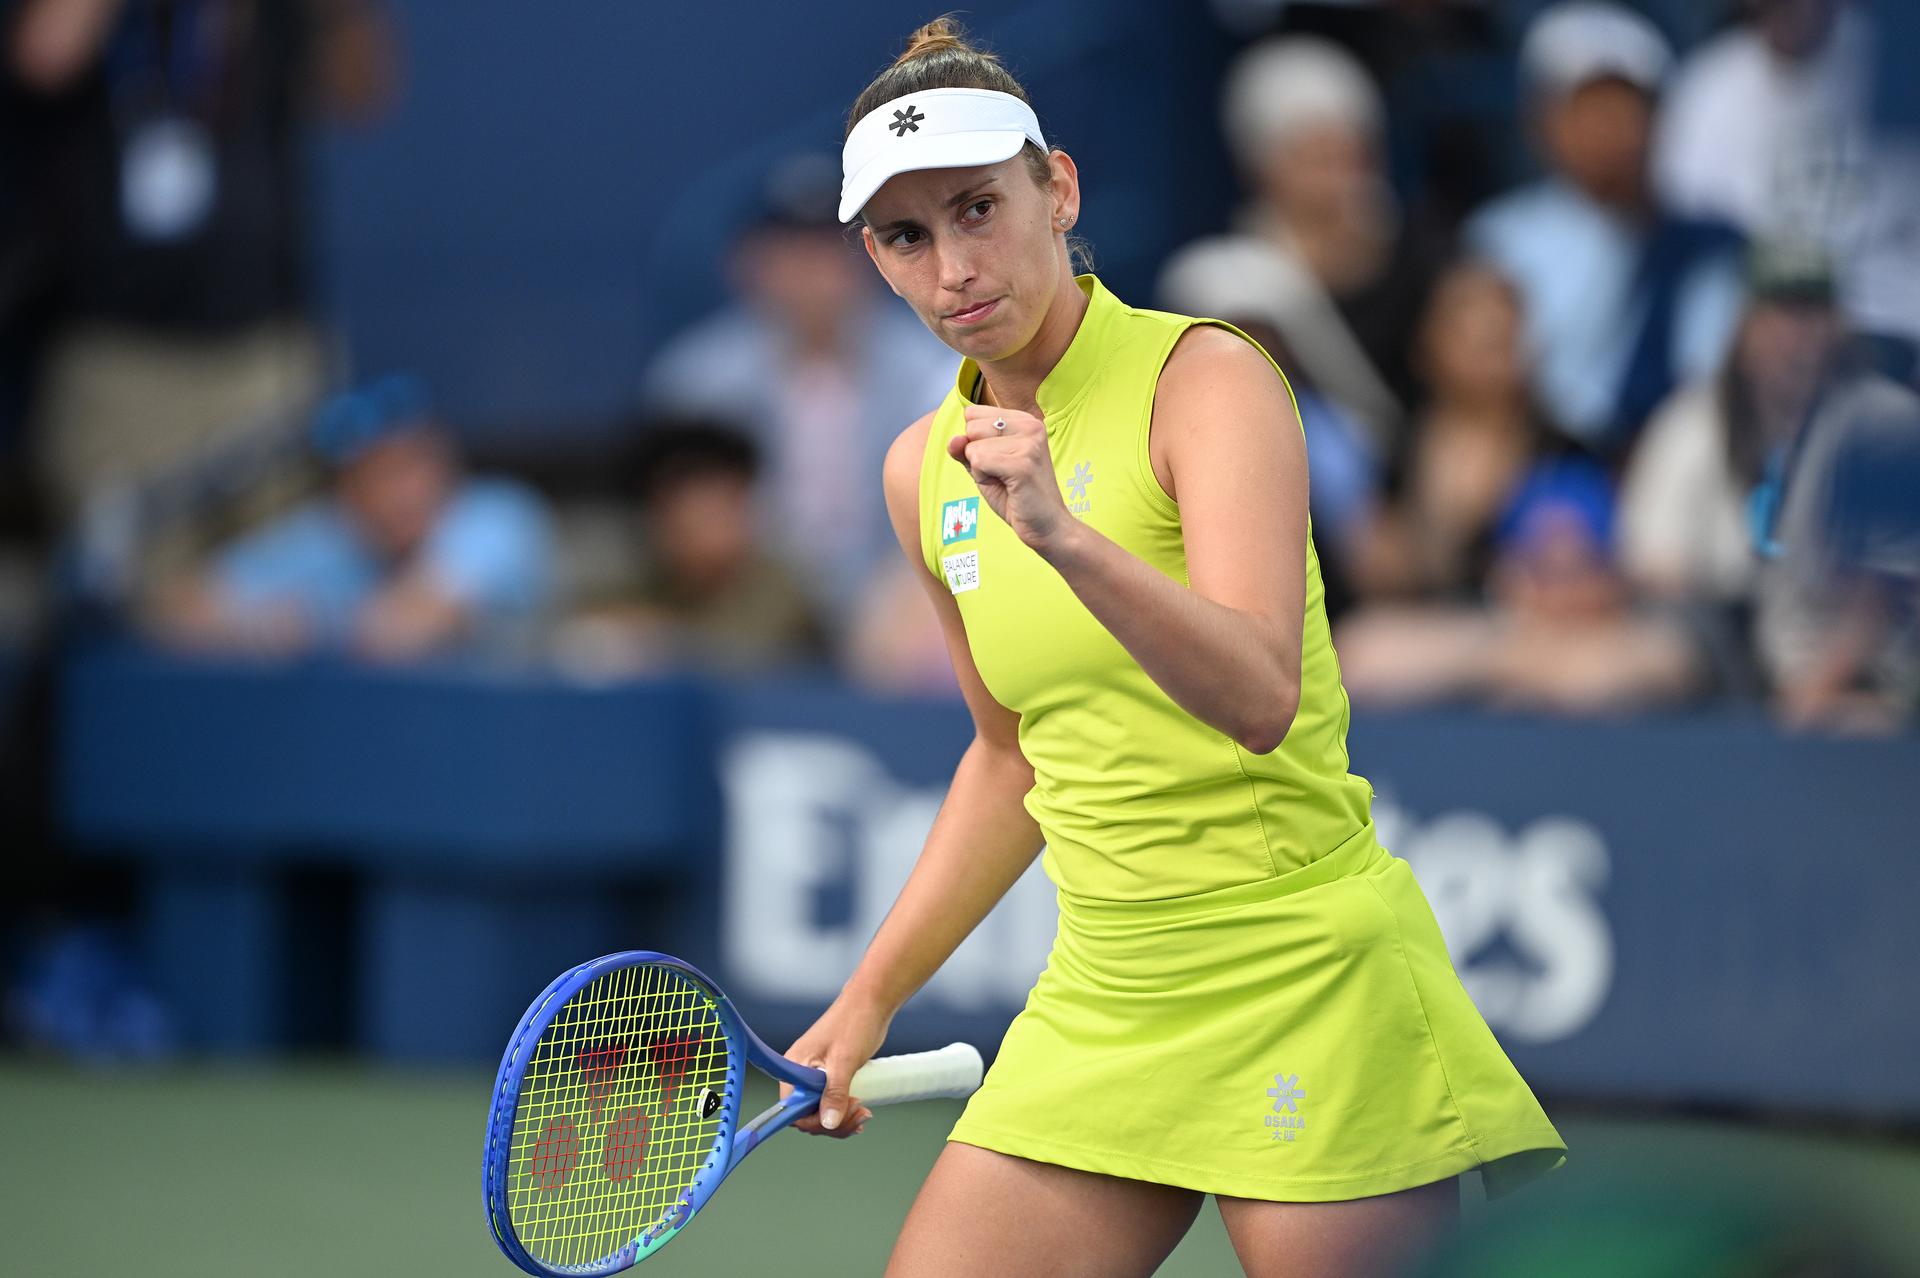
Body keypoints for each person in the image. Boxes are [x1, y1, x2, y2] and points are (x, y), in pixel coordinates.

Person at [781, 21, 1564, 1278]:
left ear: (1060, 189)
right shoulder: (918, 472)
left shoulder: (1209, 379)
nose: (953, 270)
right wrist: (868, 997)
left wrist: (1068, 538)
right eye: (906, 237)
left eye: (980, 208)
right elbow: (1009, 757)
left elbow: (1260, 696)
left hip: (1303, 971)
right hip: (1108, 991)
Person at [640, 152, 956, 631]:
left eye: (828, 251)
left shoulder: (931, 366)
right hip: (748, 601)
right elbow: (681, 530)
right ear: (748, 264)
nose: (810, 273)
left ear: (872, 255)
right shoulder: (697, 378)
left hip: (893, 596)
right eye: (789, 251)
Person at [1465, 1, 1745, 454]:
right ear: (1542, 121)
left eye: (1626, 108)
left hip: (1673, 464)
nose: (1609, 129)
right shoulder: (1496, 239)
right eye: (1587, 108)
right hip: (1538, 466)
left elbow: (1715, 386)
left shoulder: (1709, 246)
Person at [144, 374, 555, 663]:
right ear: (347, 492)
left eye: (410, 467)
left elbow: (405, 630)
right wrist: (258, 627)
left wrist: (309, 630)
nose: (400, 493)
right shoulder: (331, 535)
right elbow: (173, 608)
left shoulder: (496, 516)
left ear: (443, 465)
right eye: (376, 475)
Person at [555, 419, 830, 677]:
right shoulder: (619, 572)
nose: (705, 525)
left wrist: (659, 640)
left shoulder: (783, 586)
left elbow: (743, 658)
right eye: (688, 511)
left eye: (722, 506)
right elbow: (567, 634)